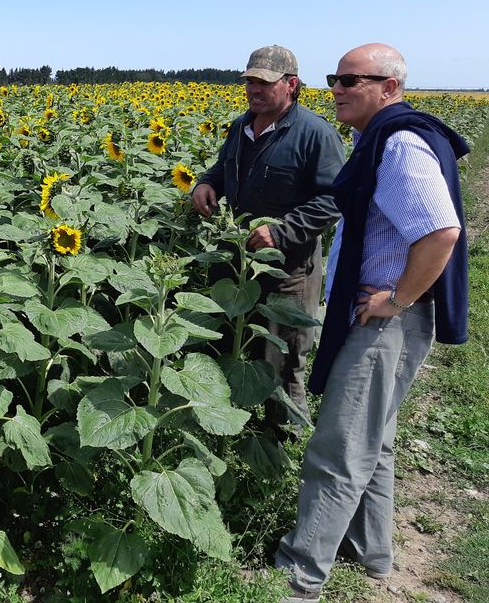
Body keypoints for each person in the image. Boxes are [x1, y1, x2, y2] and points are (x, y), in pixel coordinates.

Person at [276, 44, 468, 603]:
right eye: (334, 78)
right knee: (375, 440)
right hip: (387, 321)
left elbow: (441, 233)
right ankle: (372, 551)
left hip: (383, 325)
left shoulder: (399, 145)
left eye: (351, 79)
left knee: (338, 447)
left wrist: (397, 299)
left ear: (389, 87)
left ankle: (299, 573)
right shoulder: (380, 139)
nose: (335, 88)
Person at [192, 45, 345, 424]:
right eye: (250, 82)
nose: (254, 90)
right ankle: (226, 426)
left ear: (291, 85)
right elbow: (223, 165)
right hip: (238, 261)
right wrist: (206, 183)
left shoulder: (314, 134)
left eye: (264, 83)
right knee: (227, 342)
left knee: (282, 358)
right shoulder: (242, 126)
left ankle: (280, 445)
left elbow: (336, 199)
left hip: (287, 268)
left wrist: (283, 231)